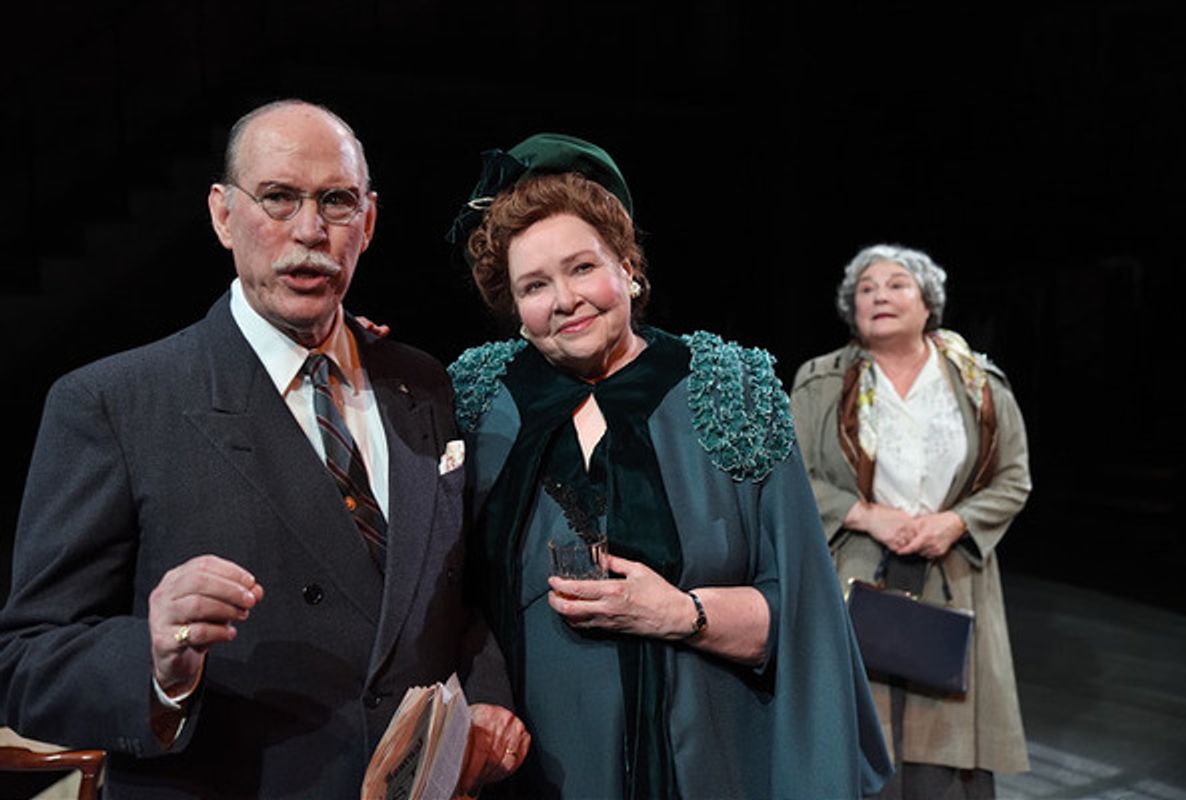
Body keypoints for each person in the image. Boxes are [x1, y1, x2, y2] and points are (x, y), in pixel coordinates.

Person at [0, 99, 528, 799]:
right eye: (278, 198)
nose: (309, 231)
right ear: (223, 214)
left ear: (368, 222)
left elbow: (455, 596)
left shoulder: (421, 384)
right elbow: (27, 660)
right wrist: (156, 663)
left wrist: (485, 704)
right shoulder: (114, 403)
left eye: (336, 202)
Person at [442, 133, 892, 799]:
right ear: (513, 306)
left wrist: (680, 612)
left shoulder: (725, 390)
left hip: (706, 764)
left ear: (628, 267)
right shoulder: (480, 402)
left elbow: (804, 615)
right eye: (535, 285)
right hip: (535, 773)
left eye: (582, 268)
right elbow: (447, 602)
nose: (565, 299)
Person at [789, 244, 1032, 799]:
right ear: (852, 310)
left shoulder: (978, 383)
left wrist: (956, 523)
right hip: (855, 569)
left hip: (950, 572)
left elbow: (1013, 477)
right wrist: (866, 515)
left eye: (897, 284)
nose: (879, 295)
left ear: (929, 305)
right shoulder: (820, 381)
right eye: (867, 289)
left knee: (943, 736)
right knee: (860, 727)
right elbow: (791, 474)